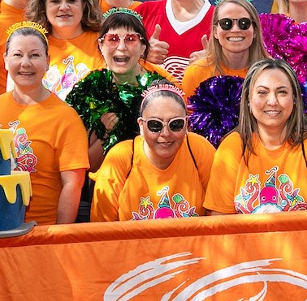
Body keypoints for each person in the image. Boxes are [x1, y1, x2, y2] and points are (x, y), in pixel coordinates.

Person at [205, 59, 307, 214]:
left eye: (282, 92)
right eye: (262, 92)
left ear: (294, 99)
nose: (272, 101)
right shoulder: (233, 146)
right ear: (248, 100)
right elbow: (220, 224)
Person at [0, 23, 88, 226]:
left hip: (42, 233)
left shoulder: (65, 117)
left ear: (47, 61)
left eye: (34, 55)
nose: (25, 63)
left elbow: (73, 184)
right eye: (17, 55)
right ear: (5, 60)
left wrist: (59, 237)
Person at [89, 86, 216, 222]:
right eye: (155, 125)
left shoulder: (198, 149)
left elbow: (218, 217)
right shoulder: (122, 157)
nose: (165, 133)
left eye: (175, 124)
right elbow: (102, 230)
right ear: (141, 127)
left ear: (186, 125)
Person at [69, 9, 166, 169]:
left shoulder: (160, 91)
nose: (121, 47)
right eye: (112, 39)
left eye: (130, 39)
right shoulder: (87, 91)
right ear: (101, 45)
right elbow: (82, 165)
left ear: (143, 48)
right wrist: (106, 135)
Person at [28, 0, 104, 97]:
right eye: (55, 1)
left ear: (84, 4)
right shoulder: (32, 46)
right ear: (43, 6)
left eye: (71, 0)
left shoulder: (104, 42)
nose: (64, 7)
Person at [179, 0, 267, 98]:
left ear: (255, 30)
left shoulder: (271, 72)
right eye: (226, 23)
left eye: (244, 23)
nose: (235, 30)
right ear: (215, 31)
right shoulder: (195, 73)